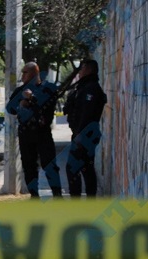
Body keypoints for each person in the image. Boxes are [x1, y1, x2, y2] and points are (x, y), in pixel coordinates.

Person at [6, 62, 62, 198]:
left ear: (34, 73)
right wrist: (21, 103)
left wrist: (32, 98)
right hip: (26, 134)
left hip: (42, 134)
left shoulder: (47, 88)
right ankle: (34, 196)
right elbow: (10, 109)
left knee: (49, 165)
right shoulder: (20, 91)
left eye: (25, 72)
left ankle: (57, 195)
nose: (23, 75)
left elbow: (48, 103)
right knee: (29, 166)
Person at [63, 59, 107, 197]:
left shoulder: (91, 88)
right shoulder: (84, 86)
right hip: (82, 136)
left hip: (84, 137)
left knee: (73, 168)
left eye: (82, 68)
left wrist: (80, 137)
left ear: (88, 69)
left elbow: (87, 115)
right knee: (86, 168)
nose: (80, 71)